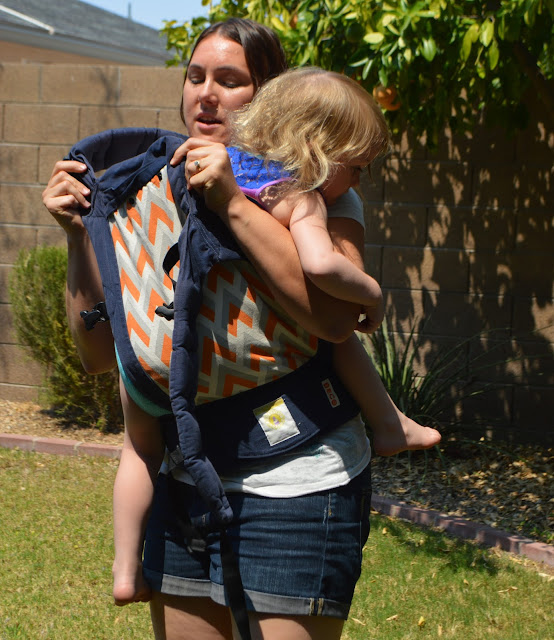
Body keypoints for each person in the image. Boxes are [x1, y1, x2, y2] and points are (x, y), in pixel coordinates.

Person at [42, 18, 438, 640]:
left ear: (270, 97)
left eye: (230, 81)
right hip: (186, 475)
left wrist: (230, 198)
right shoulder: (152, 190)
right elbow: (99, 353)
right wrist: (77, 235)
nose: (206, 94)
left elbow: (335, 319)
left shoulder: (315, 190)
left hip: (297, 476)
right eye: (196, 77)